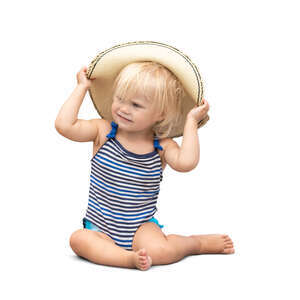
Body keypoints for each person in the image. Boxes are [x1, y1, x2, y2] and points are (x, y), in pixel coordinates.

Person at [55, 62, 235, 271]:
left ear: (160, 114)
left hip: (141, 227)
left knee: (159, 250)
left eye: (136, 105)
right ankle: (126, 259)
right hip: (99, 227)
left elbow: (187, 163)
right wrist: (82, 87)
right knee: (78, 239)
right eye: (119, 98)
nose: (123, 108)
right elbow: (64, 125)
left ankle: (196, 243)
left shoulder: (161, 147)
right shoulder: (102, 132)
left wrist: (191, 122)